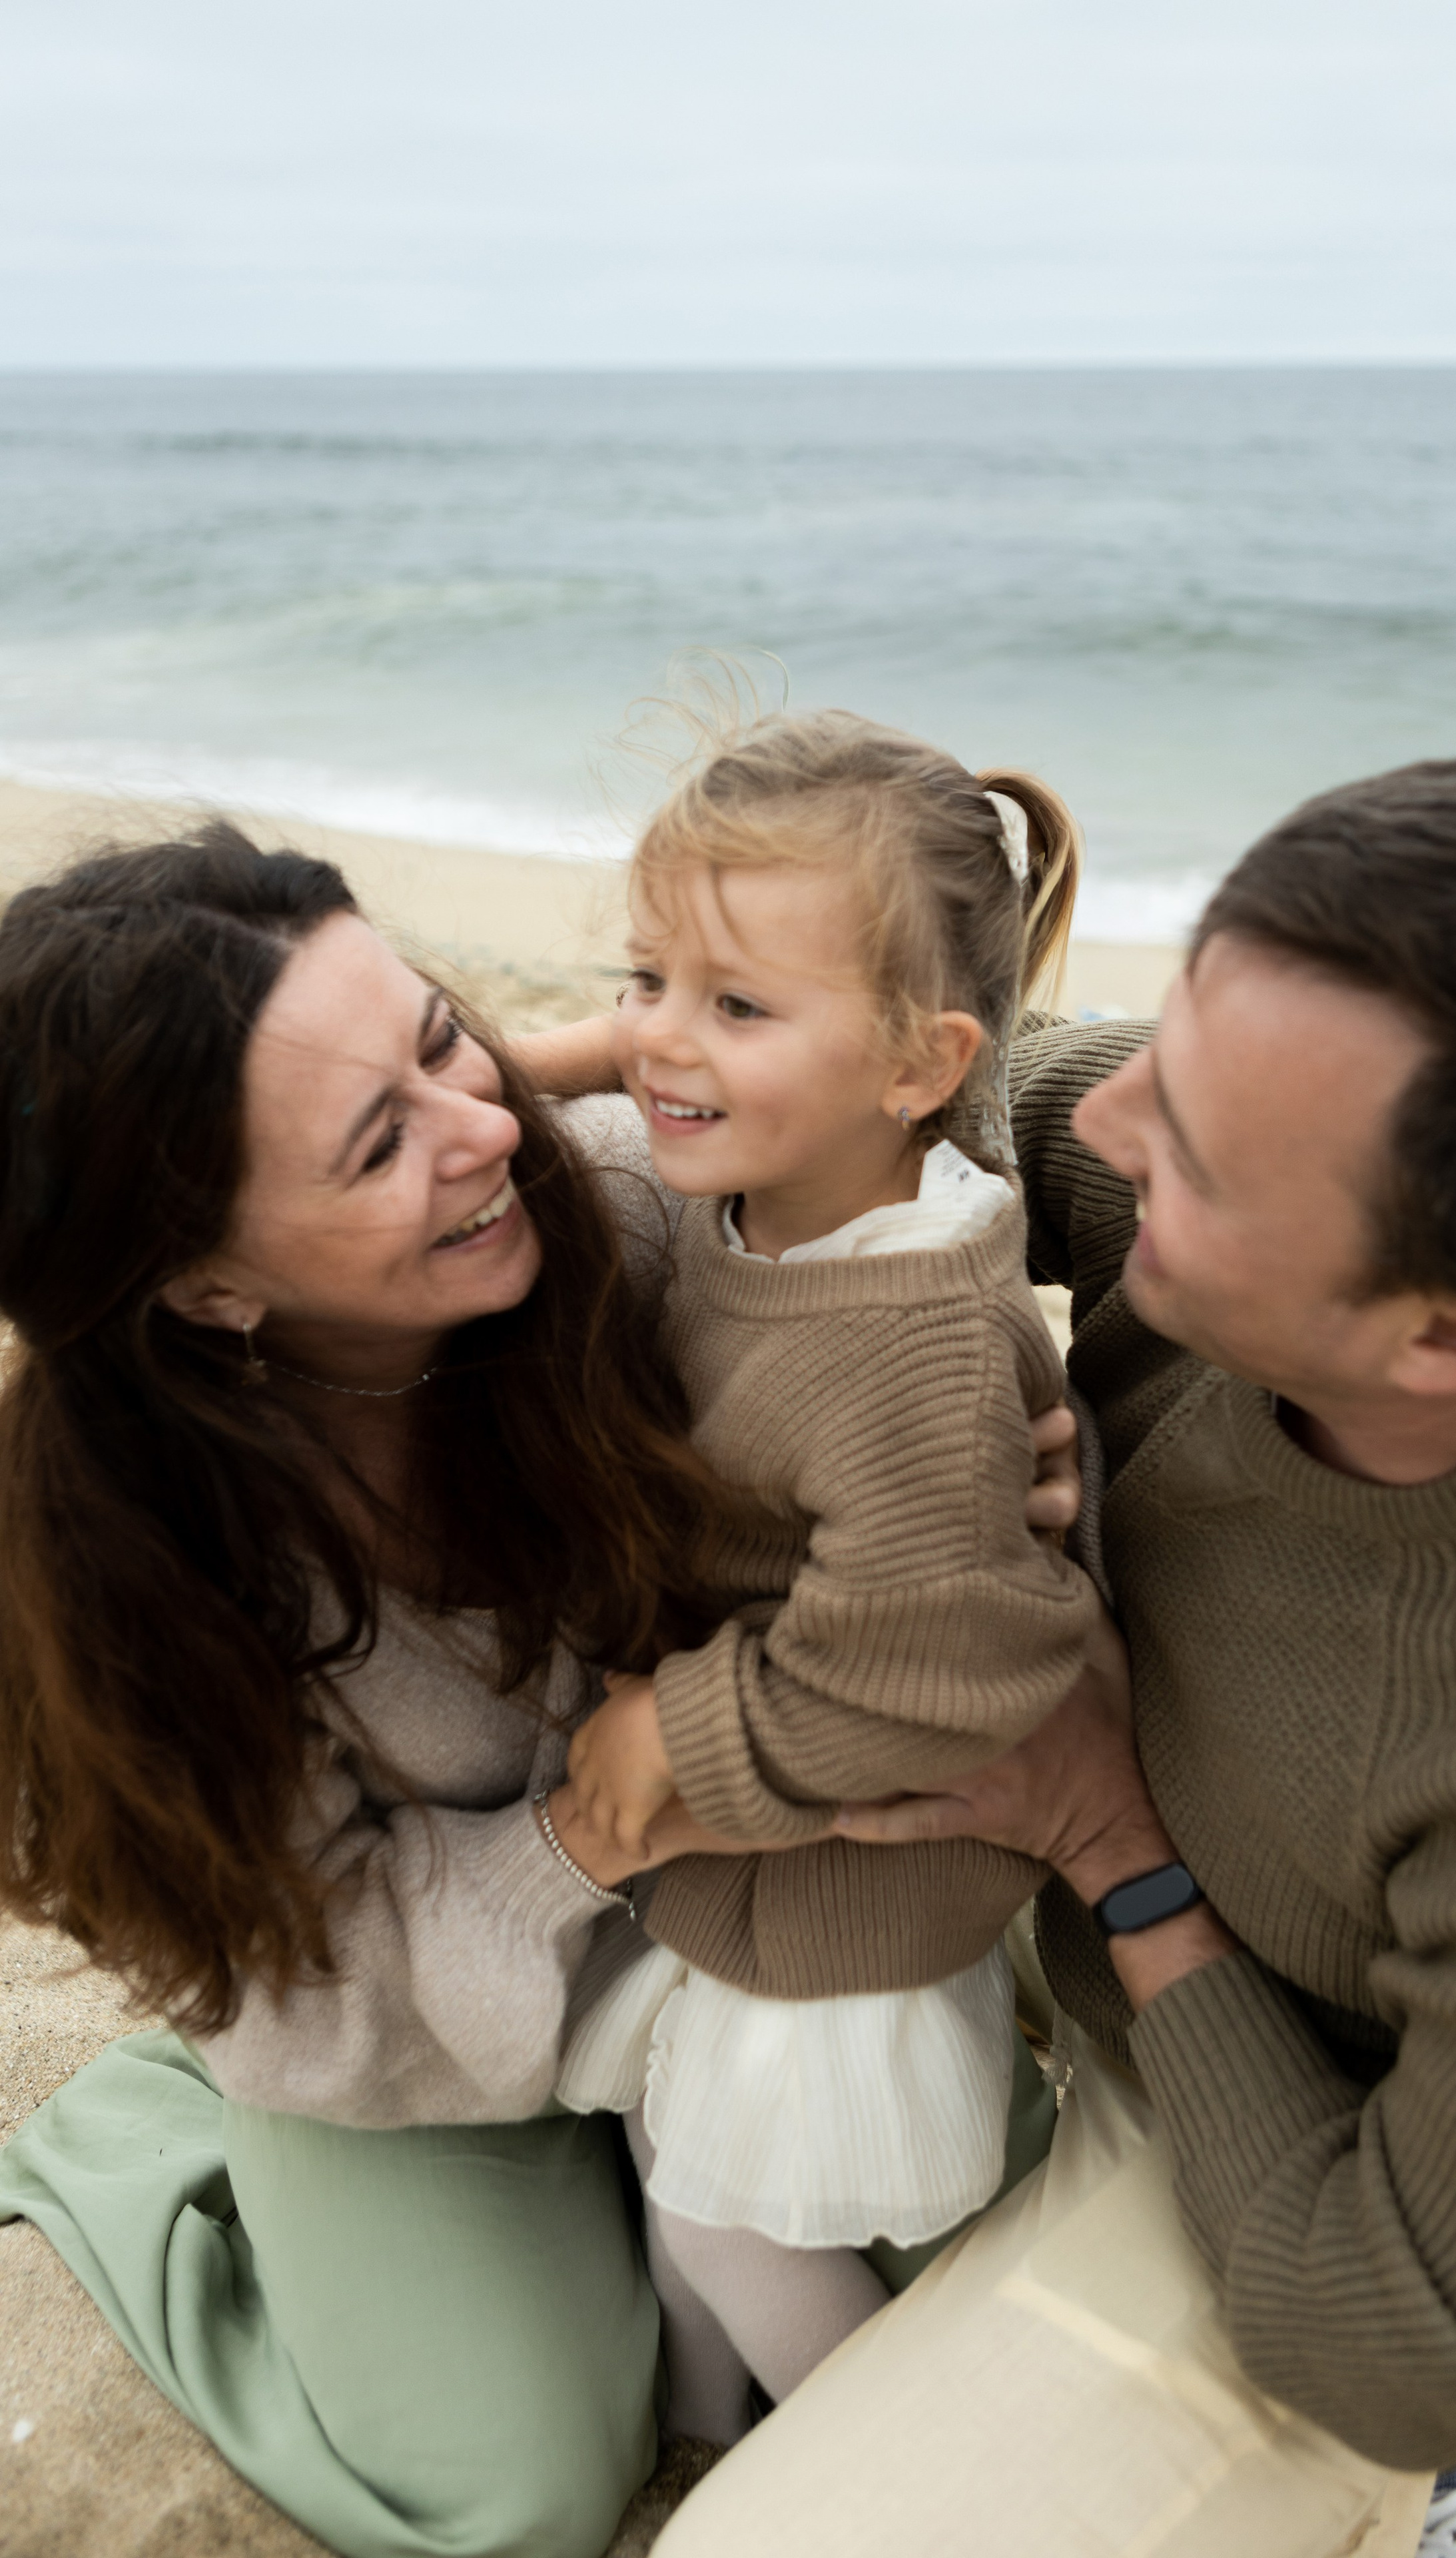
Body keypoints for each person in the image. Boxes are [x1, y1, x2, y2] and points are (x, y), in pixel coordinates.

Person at [653, 755, 1456, 2558]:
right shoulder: (1278, 1172)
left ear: (1454, 1340)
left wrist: (1114, 1846)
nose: (1116, 1120)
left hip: (1299, 2151)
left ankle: (1451, 2508)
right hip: (1074, 1893)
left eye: (1197, 1148)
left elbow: (1403, 2350)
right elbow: (983, 1084)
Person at [0, 823, 1068, 2558]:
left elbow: (937, 1139)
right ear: (209, 1283)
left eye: (446, 1040)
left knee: (971, 2241)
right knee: (515, 2492)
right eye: (380, 1142)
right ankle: (149, 2143)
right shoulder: (129, 1572)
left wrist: (985, 1473)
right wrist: (595, 1831)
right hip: (387, 2004)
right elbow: (307, 1991)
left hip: (763, 1902)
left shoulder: (652, 1210)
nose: (487, 1129)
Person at [530, 711, 1101, 2439]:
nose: (658, 1041)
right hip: (767, 1843)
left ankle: (866, 2482)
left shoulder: (912, 1336)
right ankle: (703, 2440)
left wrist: (681, 1735)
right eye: (646, 978)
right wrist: (563, 1056)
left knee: (734, 2214)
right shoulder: (789, 1192)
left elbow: (918, 1675)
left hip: (849, 1870)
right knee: (673, 2149)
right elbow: (653, 1054)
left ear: (921, 1064)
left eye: (737, 1006)